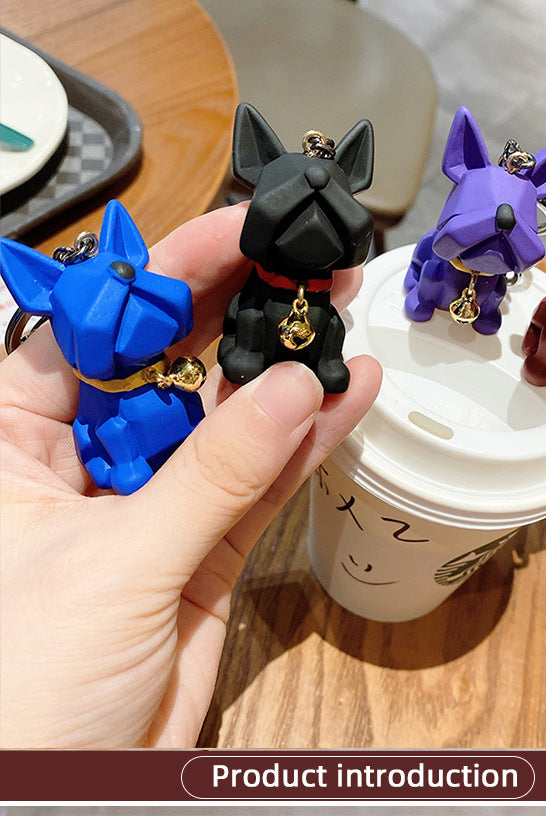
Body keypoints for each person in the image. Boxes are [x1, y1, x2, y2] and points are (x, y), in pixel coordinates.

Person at [0, 203, 382, 748]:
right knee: (118, 442)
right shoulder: (103, 396)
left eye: (136, 288)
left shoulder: (158, 355)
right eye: (112, 306)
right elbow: (100, 430)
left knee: (186, 413)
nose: (137, 307)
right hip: (121, 439)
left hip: (163, 400)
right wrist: (132, 469)